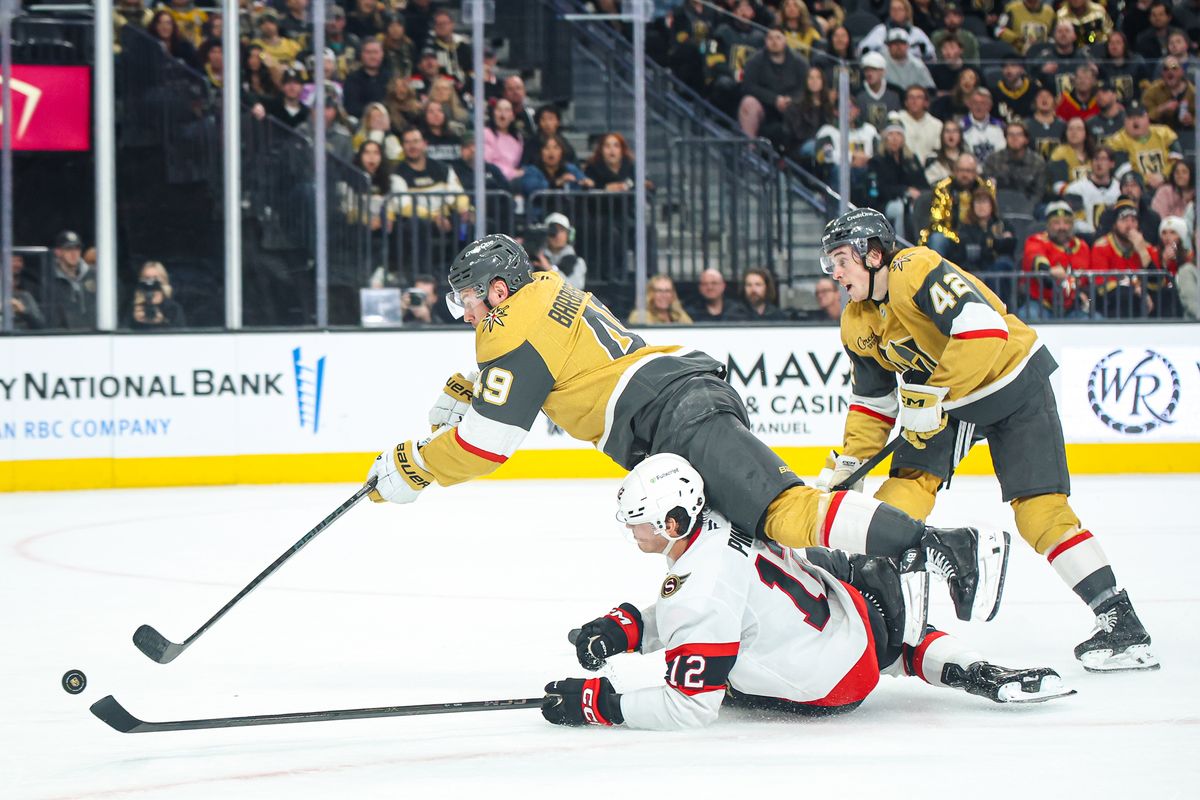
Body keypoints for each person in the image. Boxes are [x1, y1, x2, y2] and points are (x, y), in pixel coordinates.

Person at [366, 233, 1010, 626]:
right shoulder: (546, 290)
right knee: (740, 541)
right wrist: (471, 392)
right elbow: (550, 377)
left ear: (499, 290)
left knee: (784, 514)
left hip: (672, 415)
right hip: (676, 403)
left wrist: (414, 466)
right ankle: (833, 615)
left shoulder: (509, 330)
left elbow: (486, 446)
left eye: (468, 299)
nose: (466, 313)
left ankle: (938, 545)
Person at [819, 207, 1157, 670]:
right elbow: (873, 403)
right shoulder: (856, 322)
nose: (834, 273)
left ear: (873, 253)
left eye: (840, 259)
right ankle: (868, 610)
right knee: (898, 498)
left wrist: (934, 396)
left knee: (1042, 515)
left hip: (1012, 383)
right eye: (829, 262)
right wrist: (850, 463)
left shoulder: (913, 268)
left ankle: (1119, 620)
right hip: (948, 402)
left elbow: (983, 328)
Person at [540, 454, 1070, 730]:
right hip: (851, 619)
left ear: (674, 521)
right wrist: (627, 627)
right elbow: (714, 601)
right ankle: (964, 663)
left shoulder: (697, 594)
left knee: (721, 678)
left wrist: (599, 704)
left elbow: (690, 708)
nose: (631, 531)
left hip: (830, 686)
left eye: (639, 521)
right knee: (875, 618)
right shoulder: (723, 518)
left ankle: (921, 645)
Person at [1019, 201, 1093, 319]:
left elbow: (1088, 279)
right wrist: (1049, 271)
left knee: (1092, 319)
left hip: (1072, 307)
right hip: (1041, 304)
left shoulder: (1082, 246)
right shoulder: (1036, 240)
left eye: (1066, 223)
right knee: (1029, 315)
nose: (1062, 227)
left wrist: (1084, 295)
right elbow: (1036, 259)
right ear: (1048, 225)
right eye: (1056, 223)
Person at [738, 27, 809, 145]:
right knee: (748, 103)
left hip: (793, 107)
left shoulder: (800, 62)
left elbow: (805, 88)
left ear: (785, 40)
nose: (774, 42)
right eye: (770, 38)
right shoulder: (755, 60)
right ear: (765, 41)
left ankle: (799, 151)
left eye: (778, 38)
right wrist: (774, 99)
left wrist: (791, 100)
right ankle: (749, 151)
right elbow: (748, 86)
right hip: (765, 107)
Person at [1090, 198, 1161, 317]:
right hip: (1112, 303)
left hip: (1142, 300)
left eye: (1133, 220)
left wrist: (1142, 251)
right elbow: (1101, 285)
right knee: (1124, 295)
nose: (1130, 225)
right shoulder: (1101, 247)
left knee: (1165, 294)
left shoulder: (1147, 247)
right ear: (1114, 224)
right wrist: (1135, 290)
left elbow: (1156, 283)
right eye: (1124, 220)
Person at [920, 153, 996, 257]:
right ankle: (936, 271)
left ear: (975, 172)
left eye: (968, 171)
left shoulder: (984, 187)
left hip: (978, 234)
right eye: (961, 170)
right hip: (950, 234)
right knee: (937, 239)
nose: (965, 175)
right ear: (954, 171)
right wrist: (957, 237)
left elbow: (993, 215)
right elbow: (937, 224)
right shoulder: (943, 188)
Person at [1104, 101, 1183, 190]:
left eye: (1139, 117)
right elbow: (1123, 170)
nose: (1135, 122)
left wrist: (1163, 176)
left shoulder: (1165, 133)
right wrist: (1146, 180)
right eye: (1131, 118)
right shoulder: (1116, 141)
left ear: (1147, 118)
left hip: (1169, 185)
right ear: (1124, 120)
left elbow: (1178, 159)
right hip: (1136, 189)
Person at [870, 122, 928, 237]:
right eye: (891, 134)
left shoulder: (911, 159)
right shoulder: (877, 161)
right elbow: (881, 189)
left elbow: (923, 184)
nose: (895, 138)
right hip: (885, 203)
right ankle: (901, 246)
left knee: (920, 205)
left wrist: (917, 195)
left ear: (903, 138)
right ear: (885, 138)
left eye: (898, 134)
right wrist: (905, 191)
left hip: (910, 201)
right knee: (899, 208)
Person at [983, 121, 1046, 205]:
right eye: (1011, 135)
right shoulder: (993, 160)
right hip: (999, 205)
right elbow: (987, 183)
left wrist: (1028, 205)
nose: (1014, 138)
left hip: (1029, 206)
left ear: (1026, 139)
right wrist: (991, 185)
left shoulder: (1038, 162)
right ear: (1005, 138)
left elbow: (1039, 192)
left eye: (1019, 135)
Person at [1065, 145, 1122, 236]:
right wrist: (1095, 234)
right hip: (1086, 237)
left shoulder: (1120, 189)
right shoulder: (1075, 189)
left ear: (1112, 164)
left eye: (1103, 159)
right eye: (1096, 159)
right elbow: (1076, 221)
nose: (1099, 163)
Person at [44, 230, 96, 330]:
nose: (74, 253)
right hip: (65, 339)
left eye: (77, 248)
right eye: (68, 249)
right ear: (58, 252)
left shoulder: (95, 276)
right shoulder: (49, 281)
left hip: (95, 337)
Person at [1142, 57, 1197, 134]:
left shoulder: (1194, 93)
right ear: (1162, 73)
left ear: (1181, 71)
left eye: (1174, 68)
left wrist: (1192, 120)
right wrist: (1162, 108)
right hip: (1160, 135)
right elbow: (1145, 116)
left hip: (1188, 134)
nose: (1170, 72)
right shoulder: (1152, 91)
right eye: (1166, 69)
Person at [126, 260, 186, 330]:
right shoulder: (134, 307)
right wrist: (135, 321)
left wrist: (162, 322)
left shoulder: (173, 309)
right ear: (141, 283)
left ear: (164, 282)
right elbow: (121, 334)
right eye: (146, 278)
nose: (151, 283)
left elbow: (180, 337)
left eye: (155, 279)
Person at [343, 39, 390, 121]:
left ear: (382, 54)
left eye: (376, 52)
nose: (372, 56)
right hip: (361, 123)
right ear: (361, 55)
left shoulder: (390, 78)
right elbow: (351, 107)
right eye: (368, 52)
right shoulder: (352, 79)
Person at [855, 52, 901, 135]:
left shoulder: (895, 92)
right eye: (866, 70)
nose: (869, 74)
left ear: (882, 71)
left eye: (873, 69)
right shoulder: (857, 93)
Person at [894, 85, 942, 166]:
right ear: (906, 102)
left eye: (919, 97)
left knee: (949, 179)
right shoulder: (896, 120)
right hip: (900, 169)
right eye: (911, 97)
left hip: (930, 171)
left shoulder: (937, 125)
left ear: (926, 103)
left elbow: (939, 151)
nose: (914, 101)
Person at [483, 99, 525, 185]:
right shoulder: (486, 133)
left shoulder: (518, 138)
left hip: (515, 180)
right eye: (499, 110)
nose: (502, 114)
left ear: (512, 116)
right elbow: (487, 164)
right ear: (493, 113)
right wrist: (512, 173)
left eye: (507, 110)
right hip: (496, 180)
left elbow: (516, 164)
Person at [541, 212, 587, 291]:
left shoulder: (578, 262)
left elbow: (575, 289)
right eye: (553, 231)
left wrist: (549, 269)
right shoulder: (536, 257)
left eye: (562, 230)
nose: (558, 235)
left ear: (569, 234)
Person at [880, 28, 934, 93]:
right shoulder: (880, 64)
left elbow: (930, 88)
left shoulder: (917, 64)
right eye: (894, 44)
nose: (898, 47)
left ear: (907, 45)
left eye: (902, 43)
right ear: (888, 46)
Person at [627, 274, 694, 325]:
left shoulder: (679, 314)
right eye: (659, 291)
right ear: (650, 294)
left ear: (673, 294)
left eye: (667, 291)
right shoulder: (640, 316)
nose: (664, 295)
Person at [960, 88, 1006, 162]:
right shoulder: (961, 126)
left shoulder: (1000, 126)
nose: (979, 107)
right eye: (975, 103)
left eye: (983, 103)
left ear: (990, 106)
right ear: (969, 104)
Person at [989, 56, 1035, 124]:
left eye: (1013, 66)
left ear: (1022, 69)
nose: (1008, 70)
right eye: (1005, 66)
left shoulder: (1034, 90)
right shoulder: (994, 93)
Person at [8, 253, 44, 331]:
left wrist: (23, 311)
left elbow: (40, 325)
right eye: (13, 260)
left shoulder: (26, 295)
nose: (17, 264)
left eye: (19, 260)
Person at [924, 118, 964, 185]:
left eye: (954, 131)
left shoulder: (968, 159)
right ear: (942, 135)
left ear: (960, 135)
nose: (951, 135)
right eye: (947, 131)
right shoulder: (932, 158)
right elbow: (930, 182)